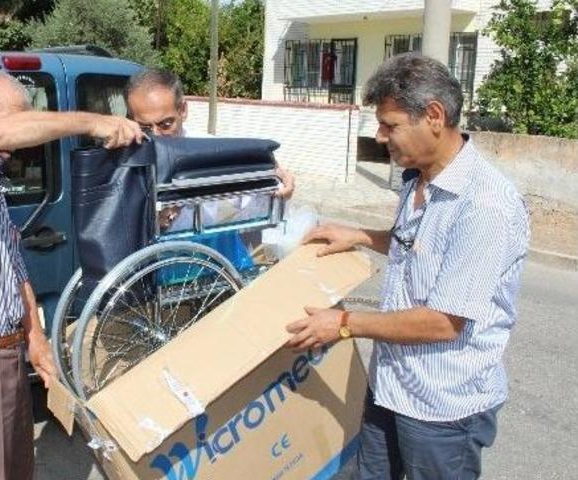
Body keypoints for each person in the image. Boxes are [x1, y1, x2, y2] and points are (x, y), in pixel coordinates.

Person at [285, 53, 530, 479]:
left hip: (442, 410)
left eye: (390, 125)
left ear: (433, 116)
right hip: (390, 386)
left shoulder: (485, 204)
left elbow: (444, 322)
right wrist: (362, 235)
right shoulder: (419, 178)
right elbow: (420, 244)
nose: (380, 137)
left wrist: (343, 323)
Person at [0, 69, 143, 480]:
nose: (23, 137)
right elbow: (1, 135)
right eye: (17, 119)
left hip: (3, 358)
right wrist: (94, 121)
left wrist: (35, 338)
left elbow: (12, 268)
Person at [124, 68, 295, 234]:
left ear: (183, 110)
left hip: (205, 256)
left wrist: (271, 180)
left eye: (166, 124)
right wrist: (149, 222)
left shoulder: (210, 153)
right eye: (144, 127)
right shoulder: (121, 163)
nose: (155, 135)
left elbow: (257, 207)